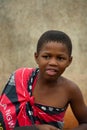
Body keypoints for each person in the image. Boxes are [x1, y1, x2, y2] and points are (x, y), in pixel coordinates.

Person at [0, 30, 87, 130]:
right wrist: (36, 129)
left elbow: (85, 122)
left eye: (60, 58)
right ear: (36, 57)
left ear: (69, 61)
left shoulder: (70, 90)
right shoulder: (20, 77)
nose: (53, 62)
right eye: (46, 57)